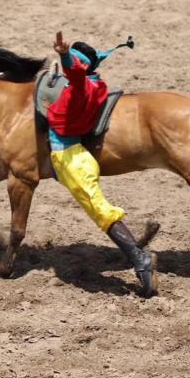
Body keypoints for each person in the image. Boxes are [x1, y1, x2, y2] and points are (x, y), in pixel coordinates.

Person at [47, 31, 158, 297]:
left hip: (69, 156)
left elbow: (73, 73)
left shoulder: (79, 83)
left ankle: (140, 259)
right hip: (80, 152)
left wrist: (63, 55)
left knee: (100, 210)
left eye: (73, 61)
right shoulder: (97, 83)